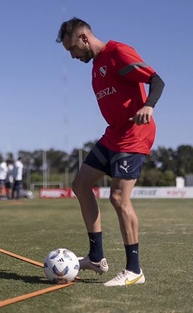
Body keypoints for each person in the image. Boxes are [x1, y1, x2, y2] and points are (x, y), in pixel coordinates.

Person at [56, 17, 164, 287]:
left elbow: (156, 80)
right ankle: (95, 257)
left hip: (135, 134)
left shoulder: (118, 52)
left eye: (72, 49)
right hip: (113, 134)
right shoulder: (95, 66)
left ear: (84, 38)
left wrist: (148, 106)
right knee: (81, 185)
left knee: (118, 198)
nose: (73, 56)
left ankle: (134, 270)